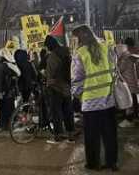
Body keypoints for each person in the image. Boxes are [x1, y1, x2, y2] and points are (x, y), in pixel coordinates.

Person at [72, 25, 118, 171]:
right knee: (110, 134)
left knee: (92, 136)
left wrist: (77, 95)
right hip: (108, 100)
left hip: (90, 102)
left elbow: (77, 78)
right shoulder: (105, 47)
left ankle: (93, 163)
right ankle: (112, 163)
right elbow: (113, 69)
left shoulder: (80, 53)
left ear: (79, 37)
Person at [44, 35, 75, 144]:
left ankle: (58, 136)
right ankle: (71, 135)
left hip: (56, 87)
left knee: (56, 112)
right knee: (68, 111)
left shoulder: (52, 56)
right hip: (67, 86)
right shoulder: (67, 52)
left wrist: (48, 80)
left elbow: (50, 73)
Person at [0, 46, 21, 131]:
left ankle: (5, 124)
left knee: (4, 108)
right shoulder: (12, 65)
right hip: (10, 91)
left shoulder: (4, 65)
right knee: (9, 108)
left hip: (5, 90)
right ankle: (9, 124)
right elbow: (18, 74)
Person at [118, 37, 139, 127]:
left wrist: (118, 62)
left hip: (128, 82)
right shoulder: (131, 54)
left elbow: (120, 69)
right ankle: (134, 117)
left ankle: (129, 119)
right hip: (132, 81)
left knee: (129, 101)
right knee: (133, 99)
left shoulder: (126, 56)